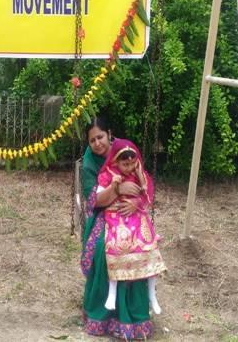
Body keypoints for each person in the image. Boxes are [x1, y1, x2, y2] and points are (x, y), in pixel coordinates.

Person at [80, 117, 154, 339]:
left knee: (139, 244)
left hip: (132, 212)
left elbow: (145, 184)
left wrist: (136, 202)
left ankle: (134, 314)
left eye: (100, 137)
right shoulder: (89, 163)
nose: (97, 143)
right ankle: (104, 314)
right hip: (103, 214)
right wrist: (119, 189)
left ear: (109, 134)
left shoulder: (125, 149)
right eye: (92, 140)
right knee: (106, 246)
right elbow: (94, 201)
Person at [97, 139, 166, 313]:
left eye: (131, 163)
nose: (128, 167)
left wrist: (140, 177)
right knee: (116, 245)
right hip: (116, 216)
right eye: (124, 164)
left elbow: (146, 194)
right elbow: (98, 197)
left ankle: (152, 294)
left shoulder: (137, 173)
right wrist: (116, 186)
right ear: (115, 161)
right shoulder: (109, 174)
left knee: (149, 245)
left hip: (136, 216)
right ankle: (112, 293)